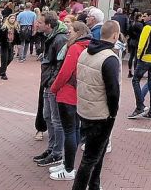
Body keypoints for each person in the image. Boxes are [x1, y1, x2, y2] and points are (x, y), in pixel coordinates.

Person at [72, 21, 121, 190]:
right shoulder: (109, 59)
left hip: (85, 108)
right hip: (100, 114)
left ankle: (94, 184)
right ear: (115, 36)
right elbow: (113, 91)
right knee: (90, 158)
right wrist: (113, 113)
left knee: (96, 153)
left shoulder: (85, 52)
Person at [48, 21, 91, 181]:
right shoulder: (88, 47)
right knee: (75, 130)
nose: (68, 33)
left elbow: (65, 72)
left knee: (70, 131)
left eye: (70, 31)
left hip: (68, 94)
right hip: (80, 94)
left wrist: (54, 88)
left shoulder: (75, 48)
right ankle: (68, 162)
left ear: (78, 32)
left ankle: (68, 168)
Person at [34, 12, 69, 168]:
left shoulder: (60, 38)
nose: (37, 24)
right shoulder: (52, 37)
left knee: (56, 119)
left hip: (52, 84)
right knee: (48, 116)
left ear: (48, 25)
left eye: (40, 22)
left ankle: (57, 152)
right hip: (49, 82)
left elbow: (60, 63)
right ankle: (52, 148)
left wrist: (51, 81)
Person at [128, 10, 151, 120]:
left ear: (150, 16)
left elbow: (142, 43)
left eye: (144, 16)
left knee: (135, 80)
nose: (143, 18)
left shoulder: (147, 27)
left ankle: (140, 106)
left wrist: (139, 56)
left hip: (146, 58)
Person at [0, 12, 18, 80]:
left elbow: (17, 36)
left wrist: (17, 43)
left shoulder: (15, 26)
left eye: (14, 18)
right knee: (4, 59)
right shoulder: (4, 27)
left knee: (10, 58)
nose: (12, 20)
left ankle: (1, 69)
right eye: (11, 18)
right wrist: (1, 41)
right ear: (8, 19)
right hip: (4, 44)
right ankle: (3, 73)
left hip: (11, 44)